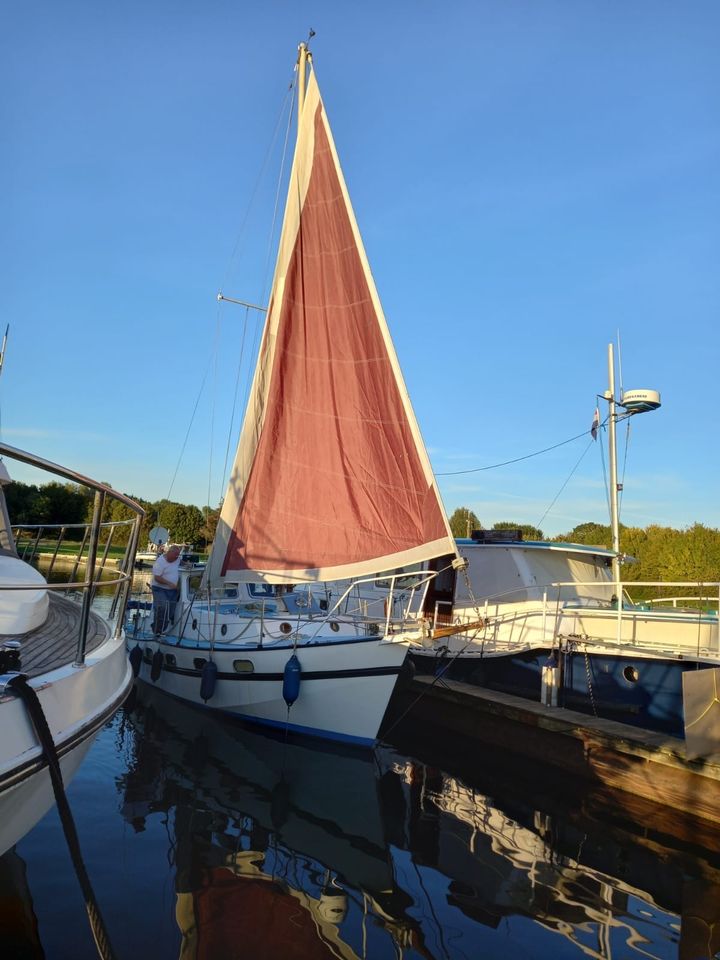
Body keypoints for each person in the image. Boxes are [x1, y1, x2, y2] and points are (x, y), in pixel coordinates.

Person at [151, 543, 182, 635]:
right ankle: (157, 630)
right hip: (159, 589)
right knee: (162, 607)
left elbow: (180, 562)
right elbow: (157, 578)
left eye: (177, 556)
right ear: (169, 552)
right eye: (174, 556)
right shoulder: (160, 562)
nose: (176, 558)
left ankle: (163, 629)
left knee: (170, 611)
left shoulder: (177, 559)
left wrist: (187, 564)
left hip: (172, 591)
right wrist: (169, 583)